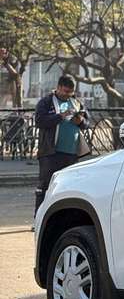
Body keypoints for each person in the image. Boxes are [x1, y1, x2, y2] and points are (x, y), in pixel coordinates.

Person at [34, 74, 90, 214]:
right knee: (45, 186)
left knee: (69, 188)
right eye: (65, 91)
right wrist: (60, 116)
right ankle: (38, 217)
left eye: (70, 92)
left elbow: (87, 123)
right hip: (50, 152)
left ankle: (64, 218)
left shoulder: (76, 102)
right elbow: (40, 121)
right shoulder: (46, 102)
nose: (67, 95)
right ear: (58, 87)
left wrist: (81, 122)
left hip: (71, 153)